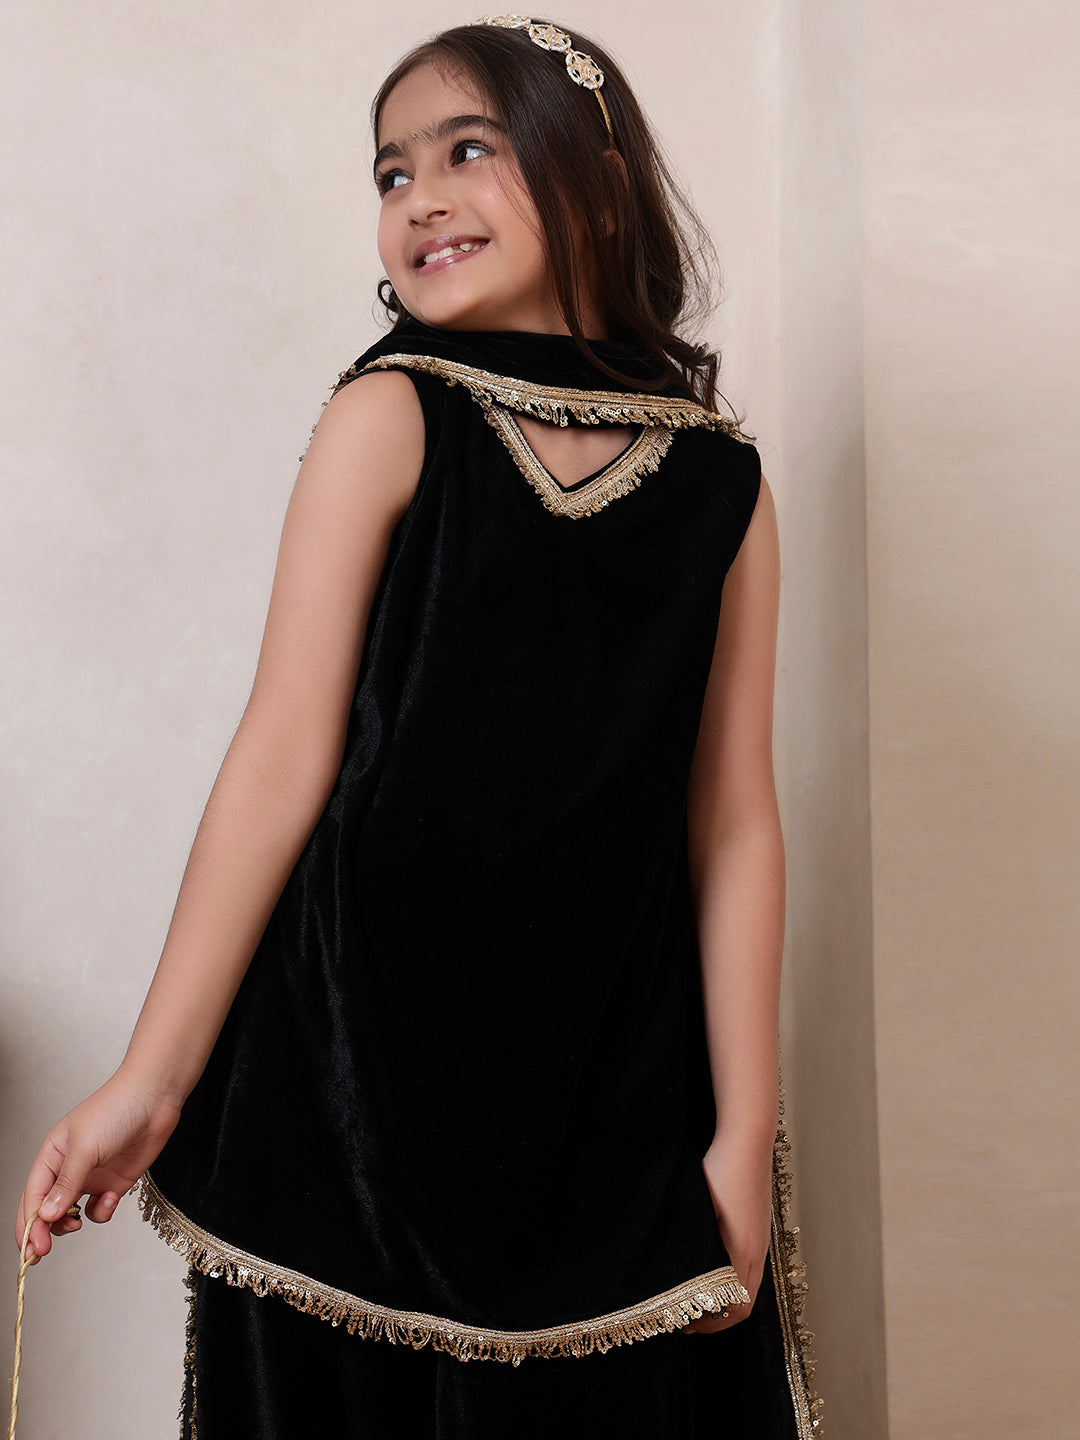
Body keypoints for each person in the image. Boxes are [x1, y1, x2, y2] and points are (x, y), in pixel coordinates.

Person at [15, 16, 823, 1439]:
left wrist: (739, 1134)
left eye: (467, 152)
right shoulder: (390, 417)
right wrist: (154, 1077)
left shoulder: (720, 488)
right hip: (356, 1091)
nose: (421, 199)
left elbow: (733, 821)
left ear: (597, 184)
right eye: (392, 174)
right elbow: (283, 754)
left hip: (609, 1095)